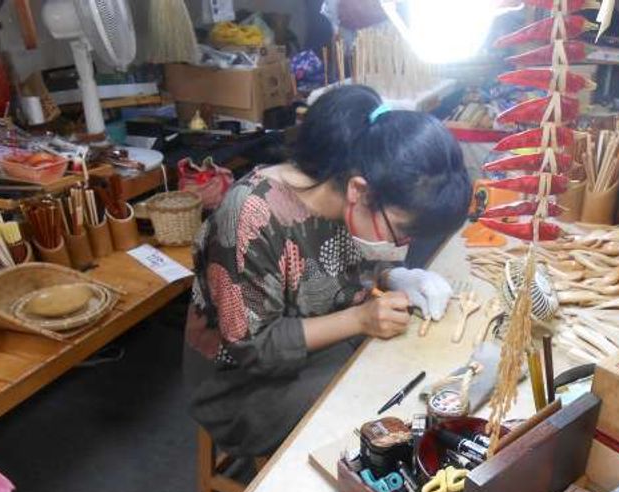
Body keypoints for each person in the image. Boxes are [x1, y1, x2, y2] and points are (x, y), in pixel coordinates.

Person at [184, 85, 471, 460]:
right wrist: (359, 319)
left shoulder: (352, 187)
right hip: (241, 384)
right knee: (378, 410)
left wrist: (394, 276)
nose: (402, 243)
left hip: (322, 338)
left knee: (407, 375)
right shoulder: (251, 215)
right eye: (402, 229)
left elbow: (349, 266)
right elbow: (252, 347)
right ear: (359, 191)